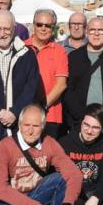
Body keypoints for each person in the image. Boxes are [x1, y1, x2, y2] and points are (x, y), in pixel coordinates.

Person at [0, 9, 43, 184]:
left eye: (7, 29)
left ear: (14, 29)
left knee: (17, 179)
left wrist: (15, 112)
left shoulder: (27, 54)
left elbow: (31, 87)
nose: (2, 33)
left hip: (18, 129)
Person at [26, 8, 69, 140]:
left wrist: (42, 107)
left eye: (48, 25)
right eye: (39, 24)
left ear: (53, 28)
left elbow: (61, 85)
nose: (43, 28)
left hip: (50, 115)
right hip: (24, 114)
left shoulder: (59, 51)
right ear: (34, 26)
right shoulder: (21, 48)